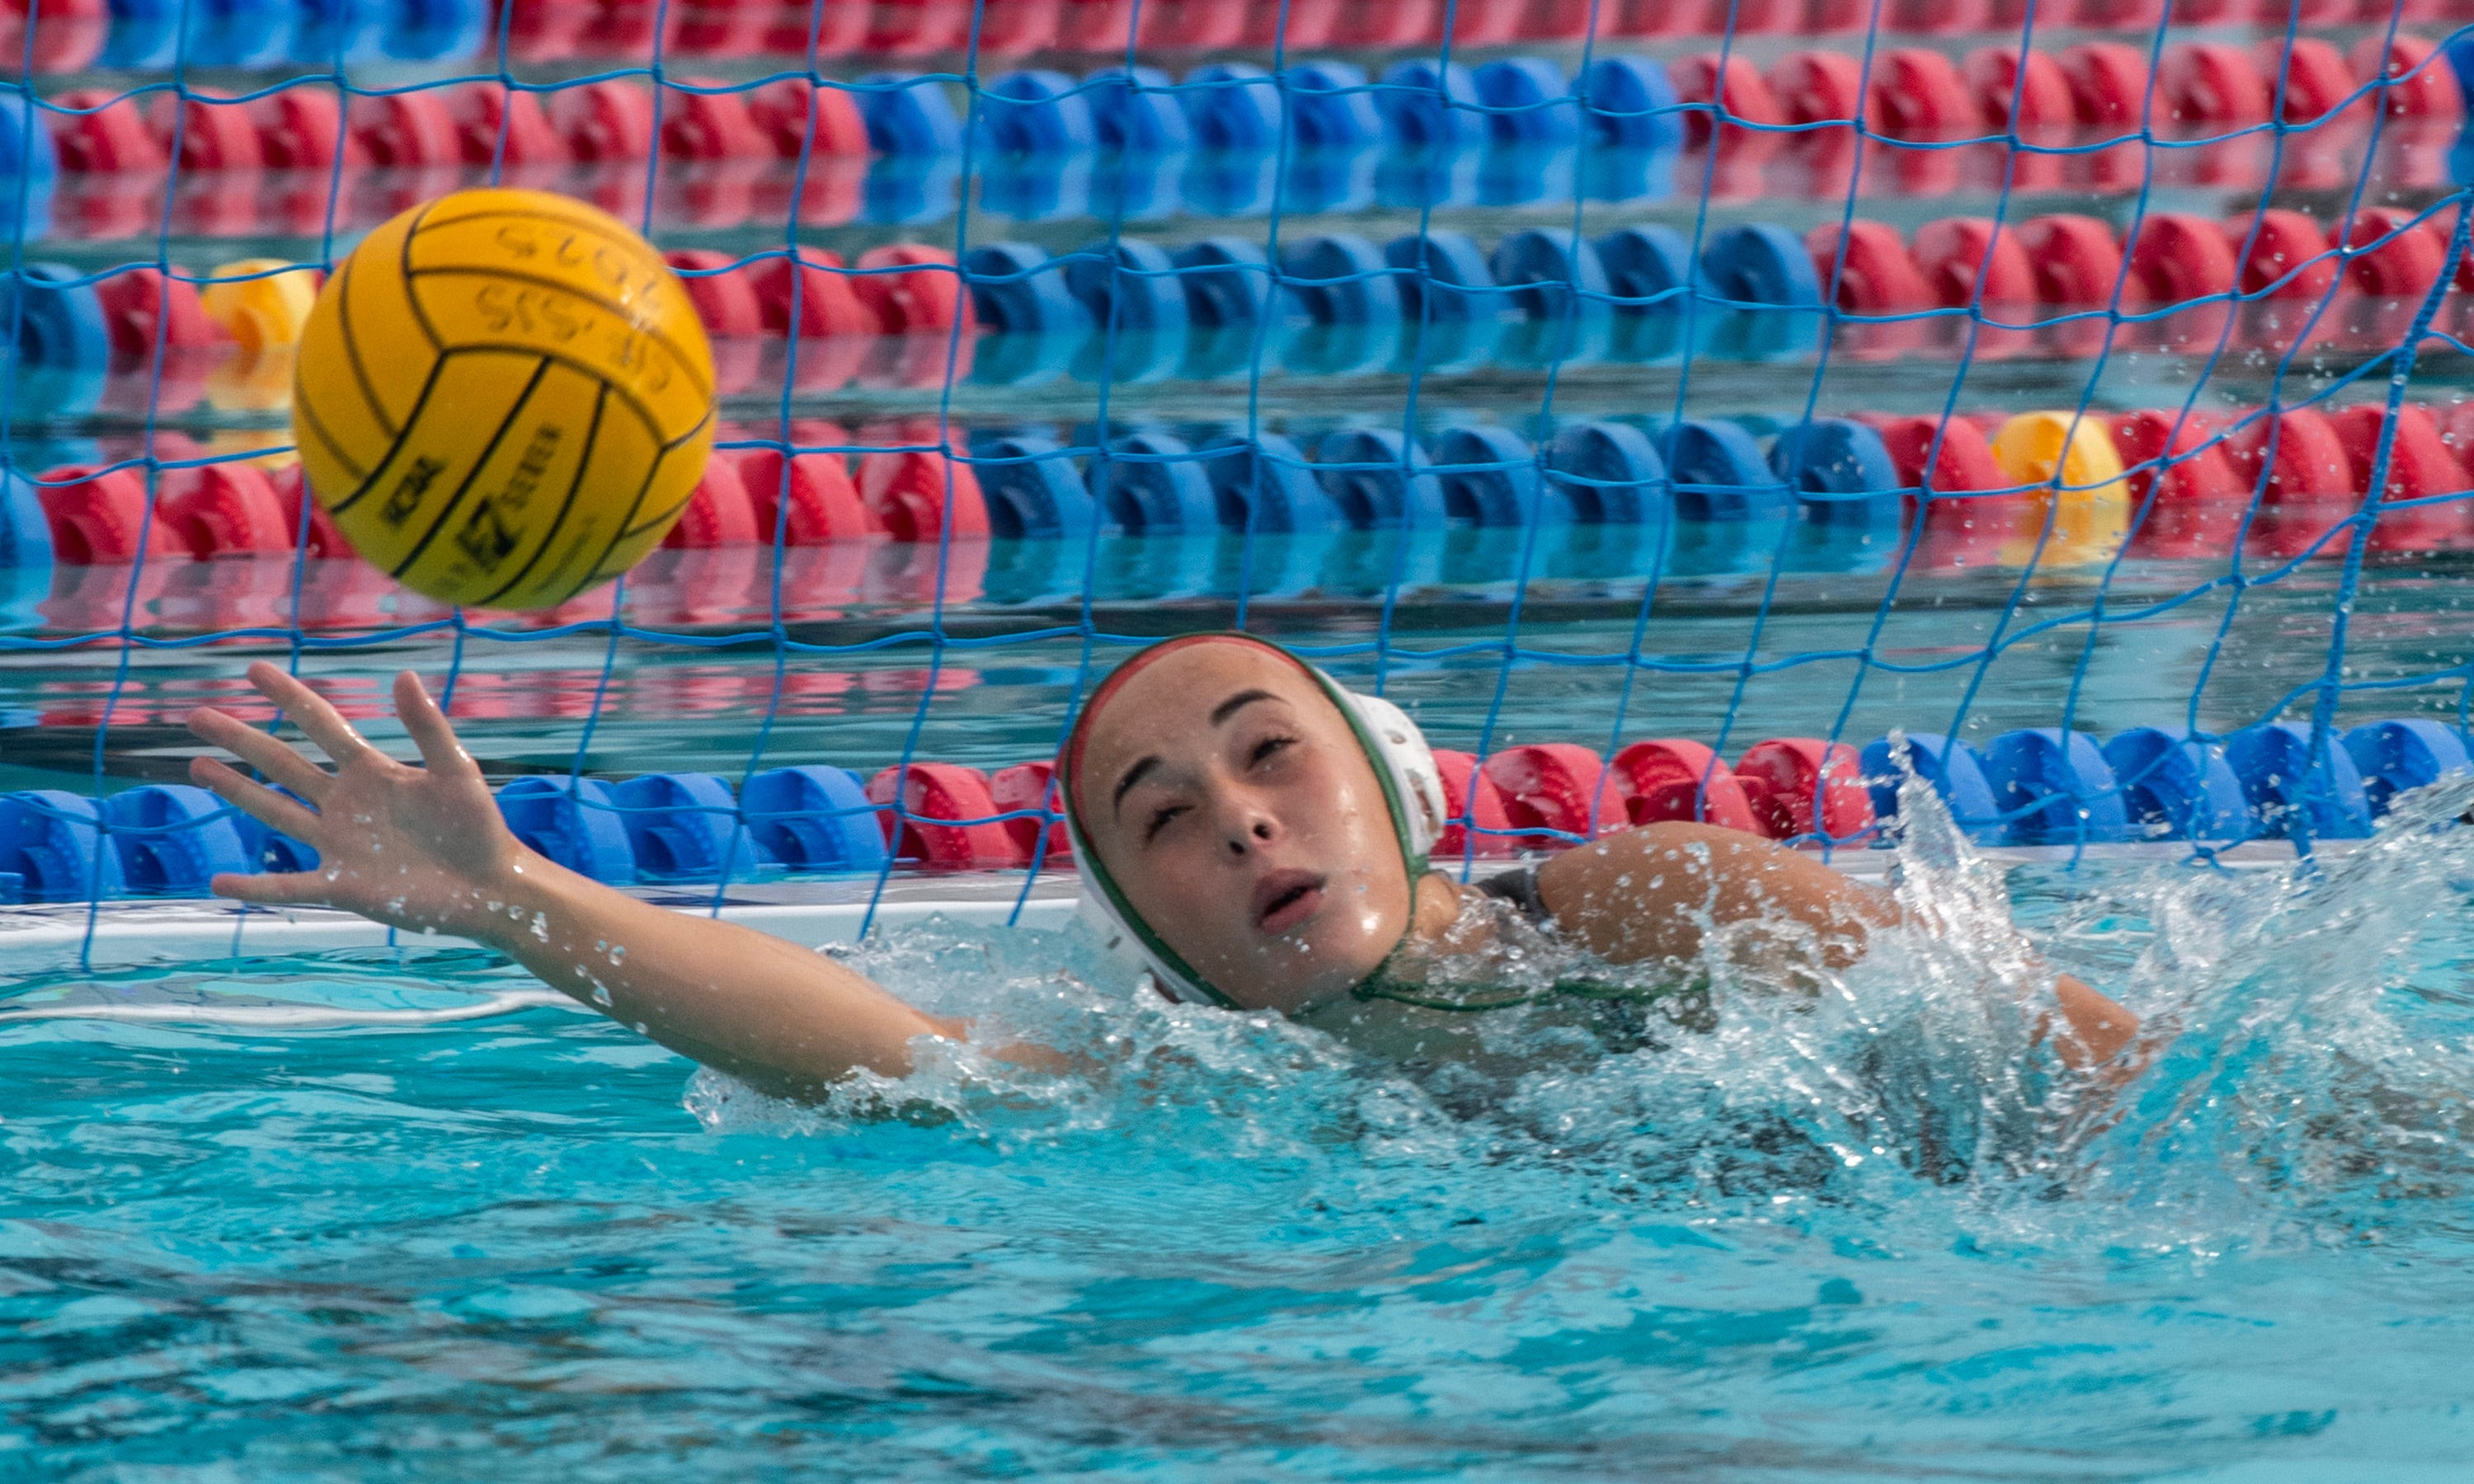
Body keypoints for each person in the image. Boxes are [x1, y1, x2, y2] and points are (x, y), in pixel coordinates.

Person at [183, 632, 2140, 1101]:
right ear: (1162, 938)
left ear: (1393, 789)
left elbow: (2072, 1055)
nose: (1242, 822)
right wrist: (516, 899)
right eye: (1165, 822)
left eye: (1270, 756)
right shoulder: (1224, 1071)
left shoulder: (1644, 899)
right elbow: (887, 1053)